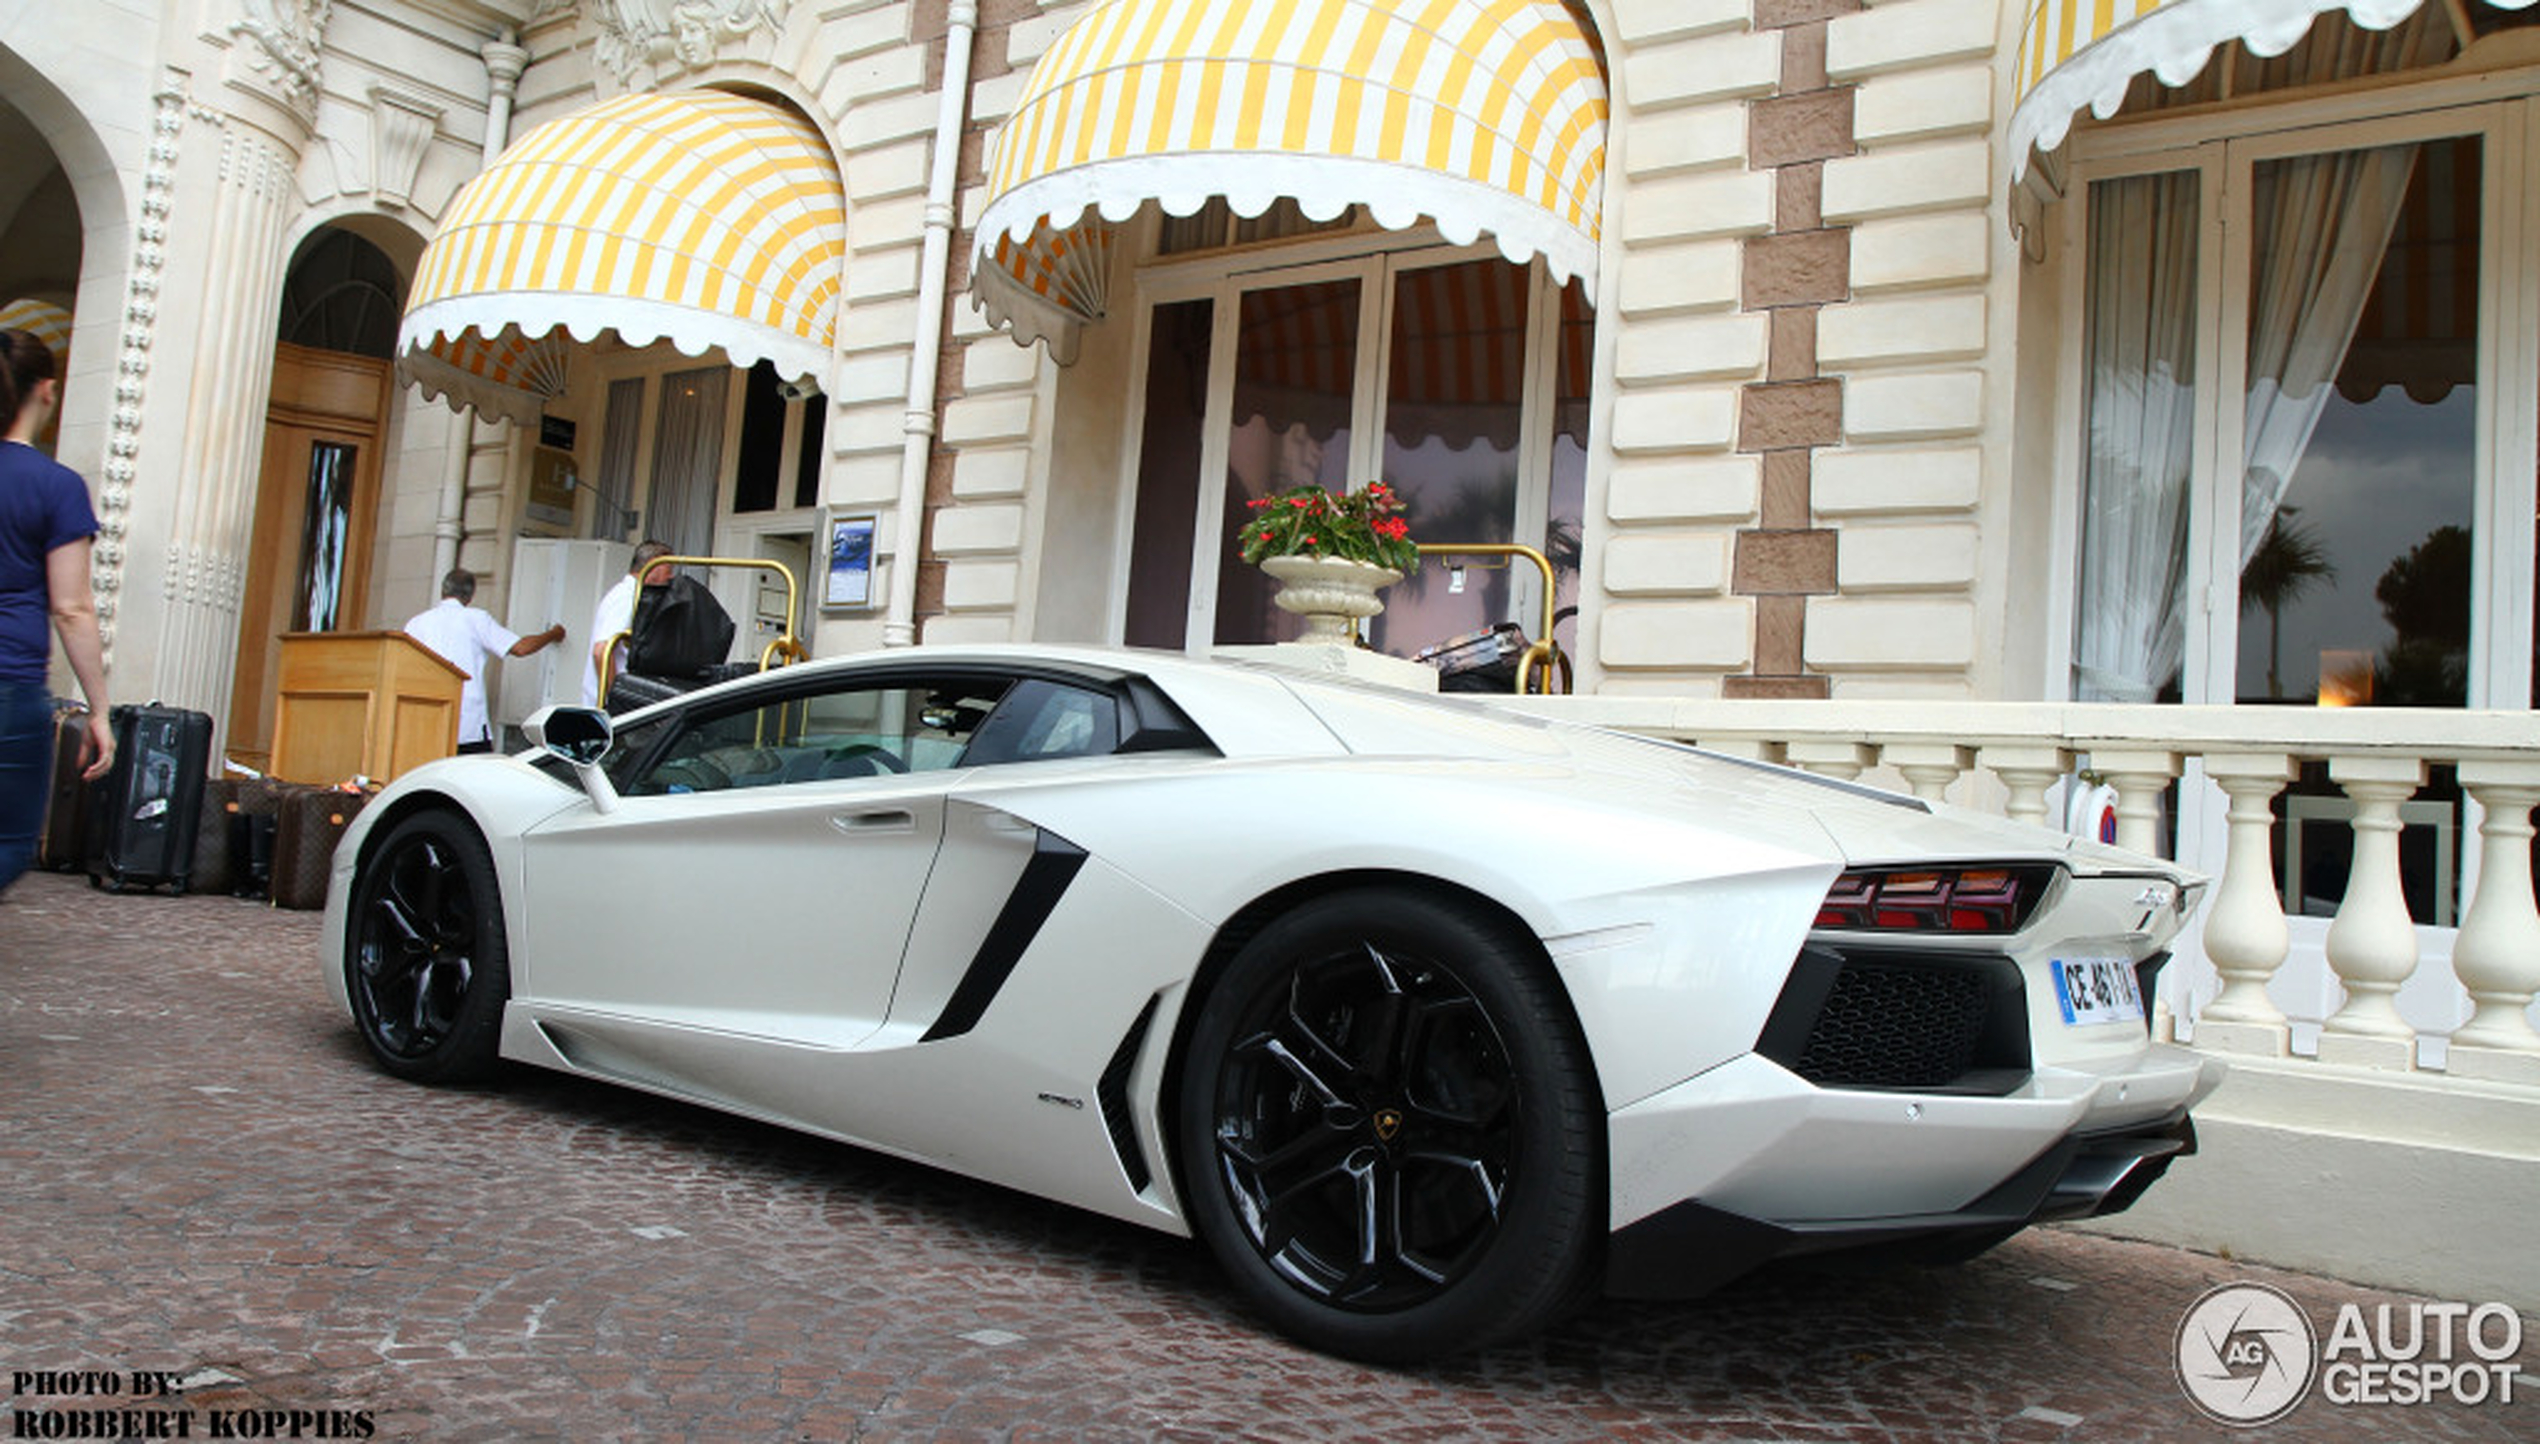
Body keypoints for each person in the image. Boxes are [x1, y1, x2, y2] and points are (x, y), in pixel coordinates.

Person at [0, 326, 112, 896]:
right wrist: (98, 708)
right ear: (46, 391)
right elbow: (71, 608)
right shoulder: (56, 486)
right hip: (10, 682)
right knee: (9, 843)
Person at [403, 568, 567, 754]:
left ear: (443, 591)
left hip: (423, 723)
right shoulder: (476, 619)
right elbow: (521, 648)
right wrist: (553, 634)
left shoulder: (416, 624)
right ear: (470, 596)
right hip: (466, 725)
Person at [583, 539, 673, 706]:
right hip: (611, 708)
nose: (671, 576)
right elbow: (602, 651)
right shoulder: (628, 597)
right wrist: (617, 698)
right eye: (668, 569)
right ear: (653, 566)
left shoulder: (629, 594)